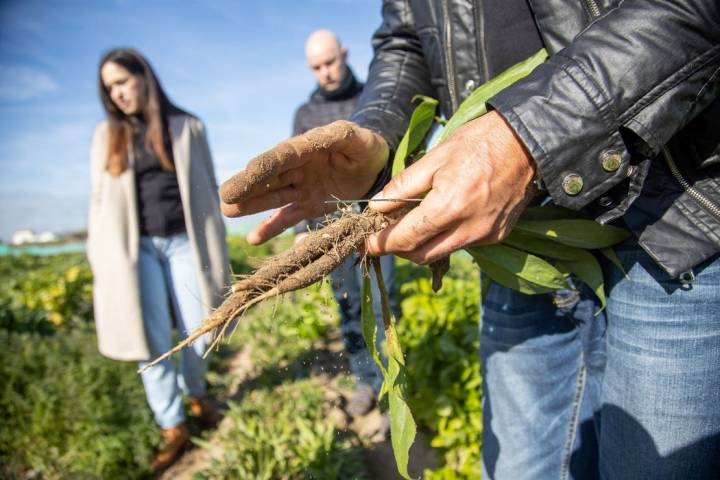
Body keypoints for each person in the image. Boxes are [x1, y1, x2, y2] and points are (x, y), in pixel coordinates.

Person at [222, 1, 720, 478]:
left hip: (670, 221)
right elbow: (405, 42)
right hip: (510, 237)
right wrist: (379, 131)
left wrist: (529, 138)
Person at [87, 48, 229, 471]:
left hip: (186, 241)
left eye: (122, 82)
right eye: (109, 88)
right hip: (137, 251)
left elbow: (209, 185)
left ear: (143, 77)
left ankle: (197, 394)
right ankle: (173, 425)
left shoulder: (187, 127)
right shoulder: (106, 136)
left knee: (201, 328)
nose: (117, 94)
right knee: (148, 342)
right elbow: (98, 202)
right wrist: (98, 253)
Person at [292, 29, 398, 418]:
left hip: (378, 223)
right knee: (349, 308)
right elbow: (297, 179)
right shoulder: (305, 115)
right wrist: (303, 233)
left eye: (330, 62)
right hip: (330, 233)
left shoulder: (373, 99)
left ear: (345, 54)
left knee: (387, 307)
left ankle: (392, 390)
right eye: (316, 67)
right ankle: (365, 382)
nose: (325, 72)